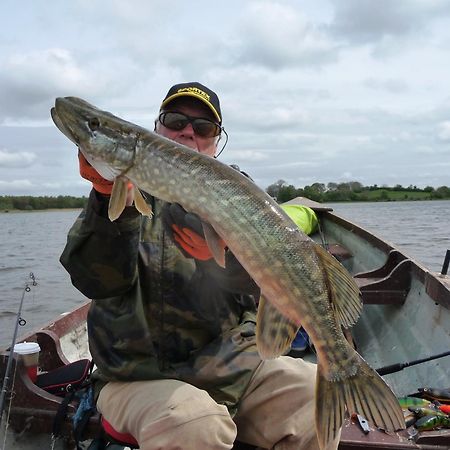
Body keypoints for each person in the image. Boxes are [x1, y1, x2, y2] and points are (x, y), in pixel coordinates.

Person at [60, 82, 333, 450]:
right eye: (175, 120)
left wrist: (223, 257)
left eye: (204, 128)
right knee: (193, 423)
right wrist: (109, 199)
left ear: (216, 142)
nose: (188, 131)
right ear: (156, 129)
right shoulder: (119, 198)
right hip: (137, 376)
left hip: (231, 365)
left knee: (312, 396)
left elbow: (262, 285)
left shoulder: (236, 195)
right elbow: (97, 280)